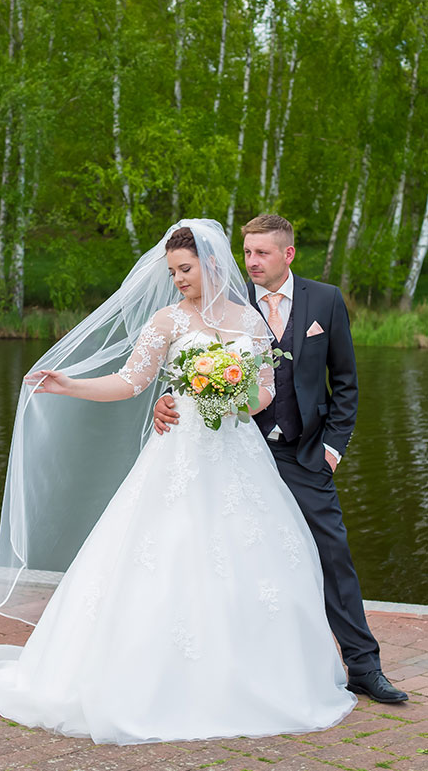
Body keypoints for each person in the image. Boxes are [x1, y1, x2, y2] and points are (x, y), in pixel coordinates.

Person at [0, 219, 356, 745]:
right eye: (173, 271)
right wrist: (70, 385)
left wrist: (231, 388)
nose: (178, 279)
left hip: (236, 455)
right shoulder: (167, 321)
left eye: (185, 269)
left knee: (255, 561)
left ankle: (256, 678)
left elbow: (263, 397)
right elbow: (131, 381)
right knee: (161, 555)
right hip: (177, 455)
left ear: (210, 264)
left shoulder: (249, 320)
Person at [154, 214, 408, 705]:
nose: (251, 262)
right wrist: (170, 399)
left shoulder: (326, 301)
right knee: (231, 555)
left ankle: (363, 666)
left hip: (304, 453)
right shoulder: (222, 301)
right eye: (246, 253)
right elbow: (189, 365)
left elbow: (346, 384)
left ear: (287, 254)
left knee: (332, 555)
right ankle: (246, 669)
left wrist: (331, 450)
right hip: (233, 448)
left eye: (261, 253)